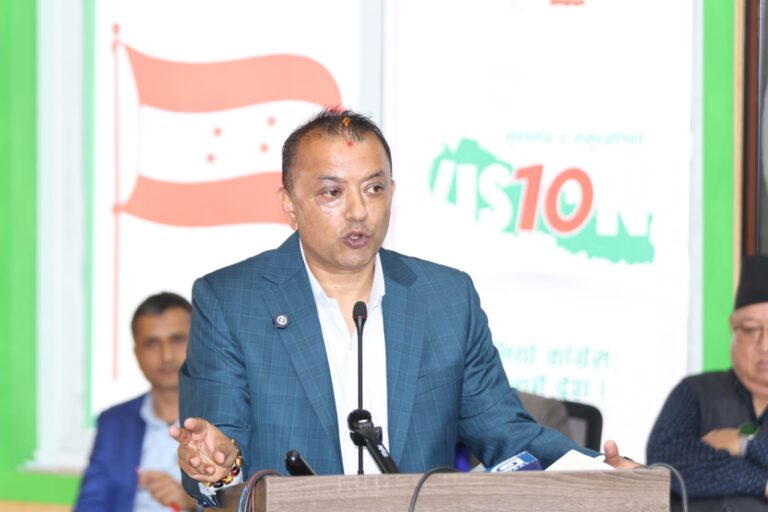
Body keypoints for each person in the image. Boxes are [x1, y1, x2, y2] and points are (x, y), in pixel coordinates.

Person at [170, 109, 636, 506]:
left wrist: (601, 472)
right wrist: (219, 465)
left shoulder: (445, 298)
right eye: (333, 192)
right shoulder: (231, 301)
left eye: (373, 189)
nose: (358, 211)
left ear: (391, 192)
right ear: (290, 205)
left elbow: (508, 435)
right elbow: (219, 456)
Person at [647, 255, 768, 511]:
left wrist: (742, 443)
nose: (764, 346)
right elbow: (666, 465)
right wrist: (762, 482)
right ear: (733, 328)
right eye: (750, 330)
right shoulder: (694, 392)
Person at [75, 292, 198, 512]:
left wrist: (193, 505)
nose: (167, 356)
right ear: (136, 353)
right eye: (152, 343)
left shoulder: (227, 418)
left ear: (199, 343)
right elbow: (90, 504)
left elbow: (248, 501)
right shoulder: (113, 422)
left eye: (177, 339)